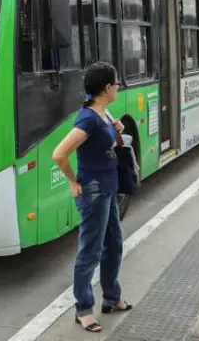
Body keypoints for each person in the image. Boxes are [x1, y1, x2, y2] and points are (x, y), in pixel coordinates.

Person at [52, 62, 133, 333]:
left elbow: (104, 142)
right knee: (90, 251)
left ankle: (111, 296)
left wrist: (117, 129)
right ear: (107, 88)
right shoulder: (87, 118)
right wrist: (73, 181)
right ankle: (83, 308)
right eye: (116, 83)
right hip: (94, 192)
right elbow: (59, 154)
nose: (118, 87)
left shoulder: (103, 112)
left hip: (108, 187)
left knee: (114, 243)